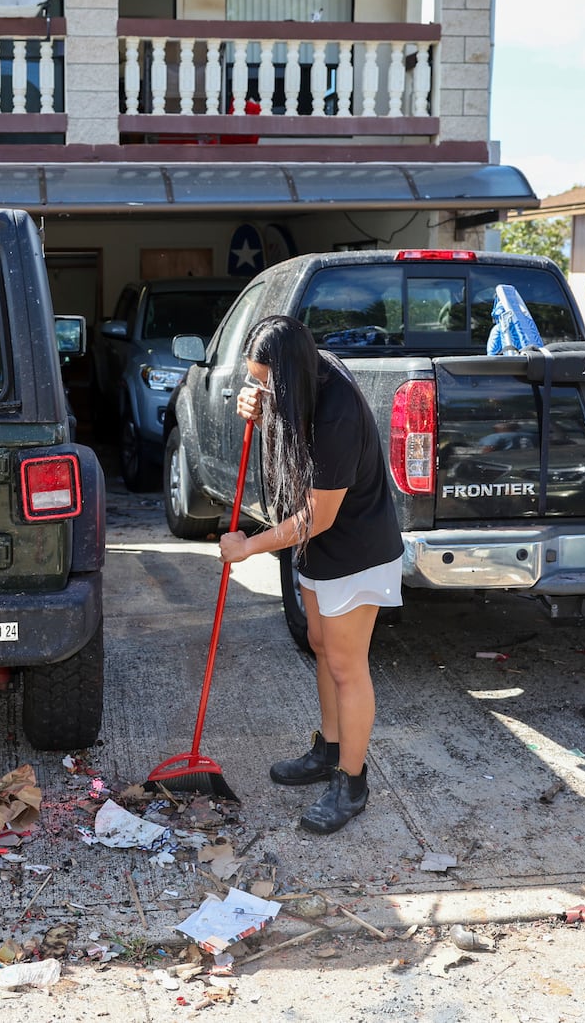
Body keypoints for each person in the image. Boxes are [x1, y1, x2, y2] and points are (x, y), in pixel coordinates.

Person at [218, 316, 403, 833]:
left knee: (347, 666)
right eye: (255, 380)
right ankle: (329, 750)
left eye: (266, 381)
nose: (261, 388)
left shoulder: (338, 411)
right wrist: (253, 401)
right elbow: (280, 412)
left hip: (355, 551)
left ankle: (353, 782)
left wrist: (249, 546)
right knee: (321, 646)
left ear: (293, 374)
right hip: (316, 550)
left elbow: (316, 517)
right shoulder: (301, 382)